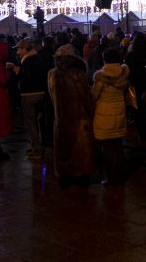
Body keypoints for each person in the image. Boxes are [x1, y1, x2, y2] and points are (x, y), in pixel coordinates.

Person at [48, 44, 96, 187]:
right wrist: (92, 112)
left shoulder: (52, 74)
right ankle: (81, 173)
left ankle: (64, 173)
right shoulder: (77, 74)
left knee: (63, 146)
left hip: (60, 119)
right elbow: (86, 98)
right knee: (81, 148)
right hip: (79, 119)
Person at [91, 47, 130, 185]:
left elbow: (94, 96)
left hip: (104, 114)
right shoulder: (124, 73)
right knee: (117, 146)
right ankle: (120, 173)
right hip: (119, 111)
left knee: (106, 147)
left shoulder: (102, 76)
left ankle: (110, 176)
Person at [14, 38, 46, 161]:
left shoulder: (27, 60)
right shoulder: (37, 58)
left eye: (19, 49)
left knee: (31, 122)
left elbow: (28, 77)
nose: (17, 52)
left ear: (25, 49)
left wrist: (18, 72)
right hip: (40, 93)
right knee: (38, 121)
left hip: (29, 94)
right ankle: (36, 146)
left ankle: (37, 149)